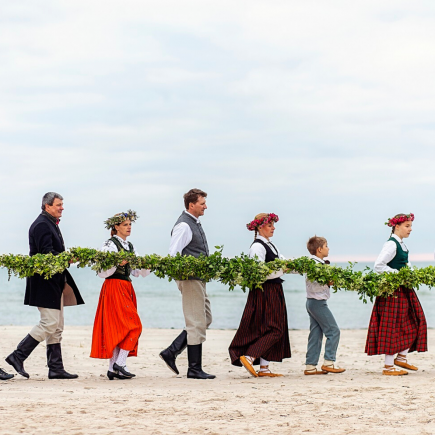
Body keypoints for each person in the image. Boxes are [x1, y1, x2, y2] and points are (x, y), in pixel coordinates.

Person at [6, 192, 84, 379]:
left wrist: (65, 259)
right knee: (49, 323)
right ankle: (18, 356)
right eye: (58, 205)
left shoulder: (49, 223)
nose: (62, 208)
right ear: (47, 206)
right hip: (44, 281)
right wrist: (67, 258)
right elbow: (46, 255)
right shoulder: (42, 224)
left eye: (62, 204)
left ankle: (56, 368)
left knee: (57, 326)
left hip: (54, 280)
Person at [159, 188, 215, 379]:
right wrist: (182, 277)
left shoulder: (194, 223)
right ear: (191, 205)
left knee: (205, 319)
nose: (205, 206)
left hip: (198, 279)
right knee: (196, 322)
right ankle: (194, 368)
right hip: (190, 279)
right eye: (202, 203)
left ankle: (171, 352)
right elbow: (173, 254)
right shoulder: (184, 225)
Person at [229, 213, 291, 377]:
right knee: (275, 329)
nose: (273, 228)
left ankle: (264, 368)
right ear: (259, 227)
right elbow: (259, 274)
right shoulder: (257, 247)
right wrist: (281, 270)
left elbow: (284, 263)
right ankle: (249, 356)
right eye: (270, 225)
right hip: (265, 290)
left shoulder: (271, 245)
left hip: (274, 289)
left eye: (273, 225)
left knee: (270, 327)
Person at [90, 211, 150, 380]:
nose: (129, 227)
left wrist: (150, 264)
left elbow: (137, 272)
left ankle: (112, 369)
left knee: (120, 328)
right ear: (116, 227)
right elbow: (102, 270)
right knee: (134, 325)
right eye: (125, 224)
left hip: (126, 287)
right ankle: (120, 363)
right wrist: (116, 262)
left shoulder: (130, 246)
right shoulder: (109, 244)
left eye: (130, 224)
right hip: (114, 286)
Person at [365, 213, 427, 376]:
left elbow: (407, 265)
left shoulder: (402, 245)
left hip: (404, 289)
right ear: (397, 227)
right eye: (407, 226)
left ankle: (401, 358)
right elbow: (378, 266)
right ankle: (388, 366)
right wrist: (398, 275)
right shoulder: (391, 245)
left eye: (411, 226)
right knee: (392, 326)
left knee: (417, 320)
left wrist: (412, 275)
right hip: (393, 290)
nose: (410, 229)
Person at [304, 236, 345, 375]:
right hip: (317, 303)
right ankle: (329, 362)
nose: (328, 248)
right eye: (326, 246)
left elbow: (318, 282)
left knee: (316, 334)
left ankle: (310, 366)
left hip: (312, 301)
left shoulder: (317, 264)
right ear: (319, 249)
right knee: (333, 331)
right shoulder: (314, 264)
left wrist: (329, 281)